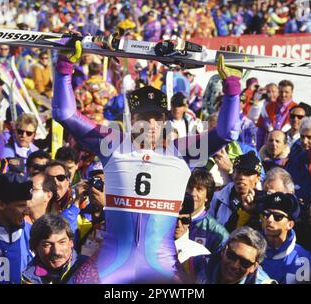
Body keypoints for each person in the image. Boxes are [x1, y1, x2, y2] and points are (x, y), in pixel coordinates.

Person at [53, 41, 241, 283]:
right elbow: (64, 114)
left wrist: (233, 88)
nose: (151, 125)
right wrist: (64, 67)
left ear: (165, 120)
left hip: (161, 266)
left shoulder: (181, 151)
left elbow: (227, 132)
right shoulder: (111, 144)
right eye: (144, 118)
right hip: (110, 265)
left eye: (157, 118)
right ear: (133, 119)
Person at [260, 192, 311, 284]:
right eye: (266, 214)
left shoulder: (304, 259)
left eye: (277, 216)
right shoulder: (251, 250)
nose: (269, 219)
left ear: (290, 224)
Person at [21, 214, 87, 284]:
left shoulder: (91, 269)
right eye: (47, 244)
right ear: (35, 247)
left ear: (71, 242)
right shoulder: (26, 278)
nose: (56, 251)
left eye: (62, 242)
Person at [209, 151, 265, 233]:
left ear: (258, 178)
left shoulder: (263, 202)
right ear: (233, 174)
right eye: (238, 172)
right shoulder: (216, 198)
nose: (241, 177)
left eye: (247, 173)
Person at [203, 226, 276, 284]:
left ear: (254, 267)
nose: (235, 265)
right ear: (223, 251)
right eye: (232, 256)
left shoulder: (263, 282)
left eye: (245, 262)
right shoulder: (198, 266)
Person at [187, 169, 229, 255]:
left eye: (199, 189)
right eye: (190, 187)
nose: (192, 193)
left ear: (207, 196)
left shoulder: (218, 233)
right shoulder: (170, 220)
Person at [174, 193, 210, 283]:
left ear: (190, 221)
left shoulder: (200, 253)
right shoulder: (149, 248)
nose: (179, 225)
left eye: (184, 220)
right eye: (174, 220)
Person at [256, 80, 297, 150]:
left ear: (292, 92)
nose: (283, 95)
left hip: (286, 150)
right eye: (281, 92)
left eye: (286, 92)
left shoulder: (296, 109)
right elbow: (260, 129)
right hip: (267, 149)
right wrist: (259, 148)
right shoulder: (268, 107)